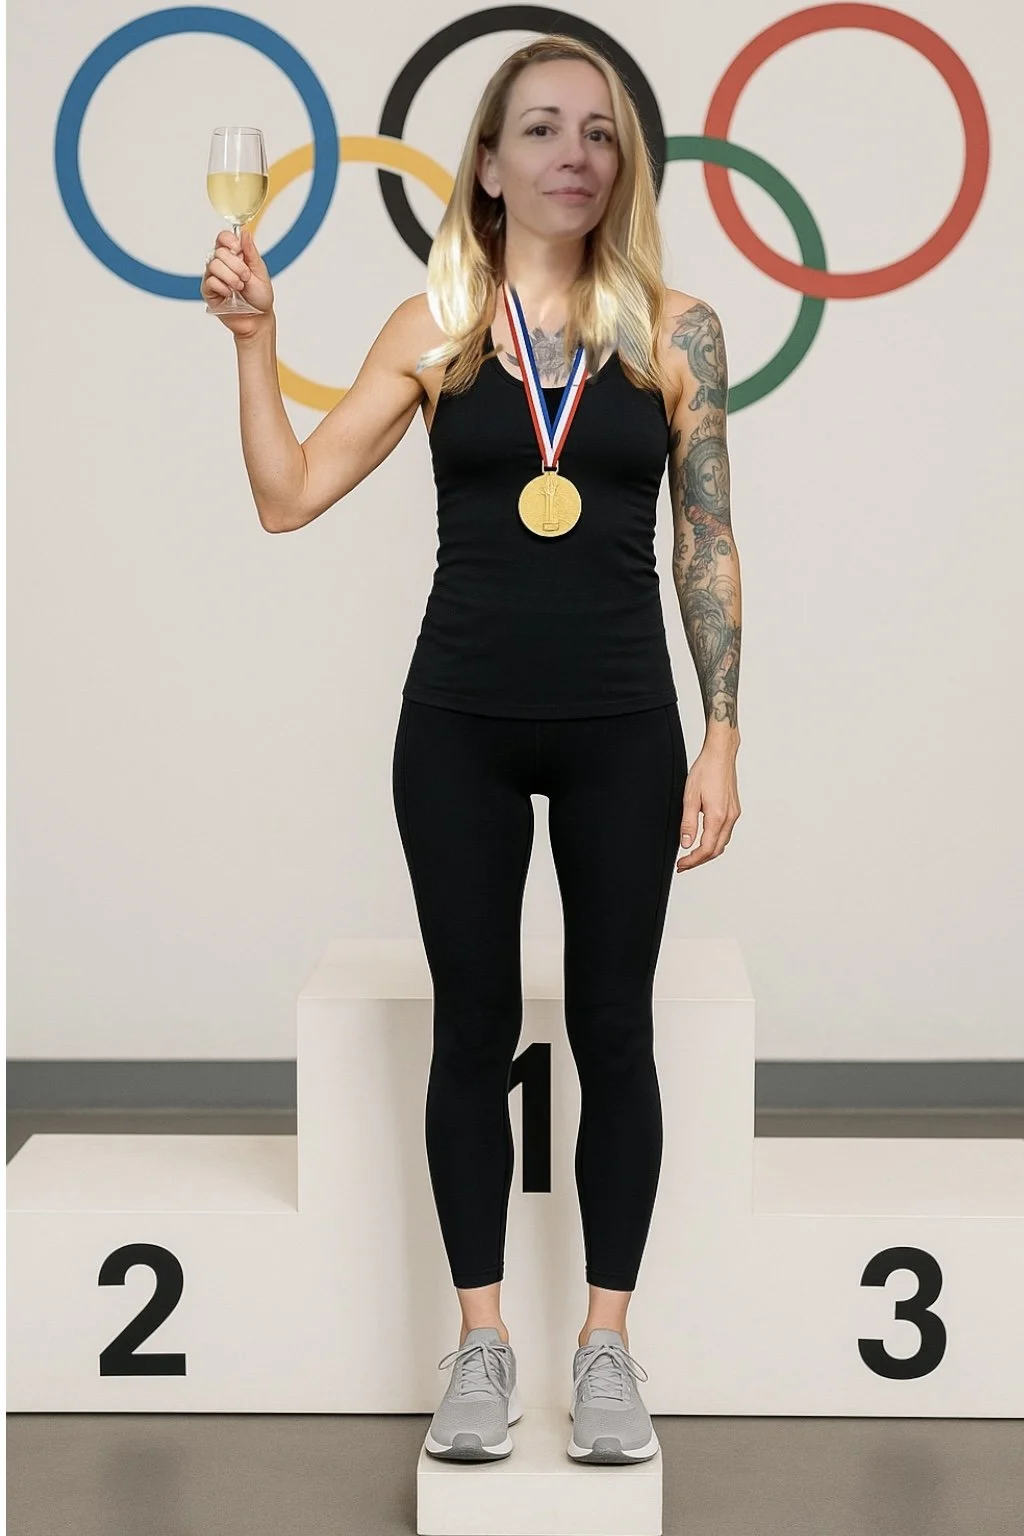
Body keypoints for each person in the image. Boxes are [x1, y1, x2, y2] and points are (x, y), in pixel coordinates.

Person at [202, 34, 742, 1467]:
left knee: (616, 1028)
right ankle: (483, 1345)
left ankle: (607, 1347)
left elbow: (707, 538)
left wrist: (724, 732)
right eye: (542, 128)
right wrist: (255, 345)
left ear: (623, 164)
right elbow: (288, 495)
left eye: (600, 131)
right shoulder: (434, 326)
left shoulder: (678, 330)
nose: (576, 151)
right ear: (489, 167)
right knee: (472, 1025)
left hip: (625, 725)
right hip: (459, 725)